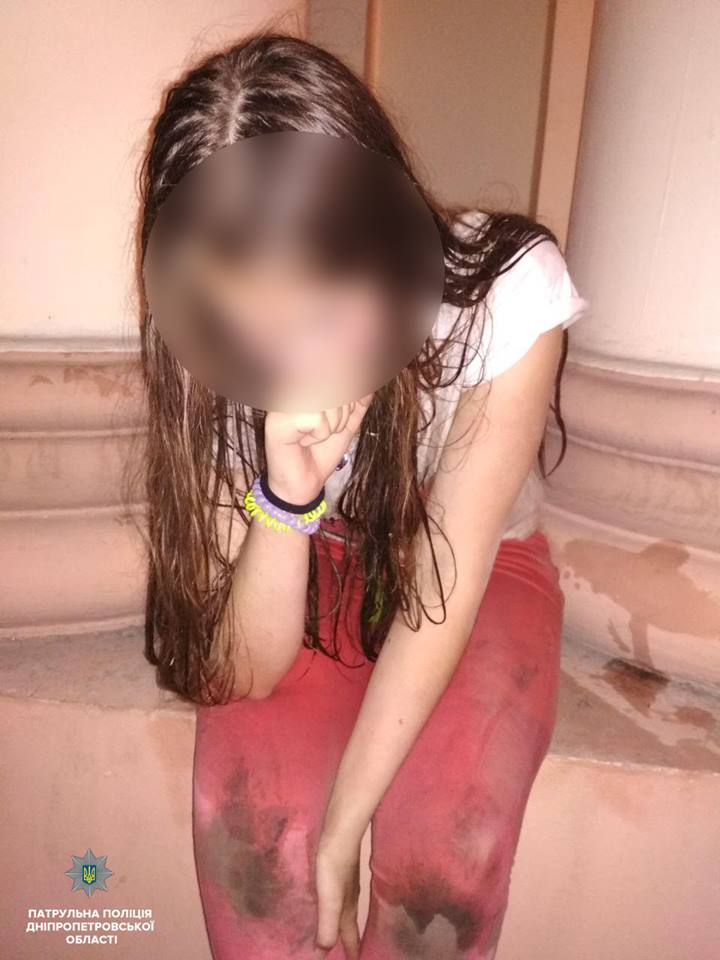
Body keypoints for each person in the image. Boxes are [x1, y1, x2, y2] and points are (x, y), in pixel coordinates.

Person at [137, 32, 589, 960]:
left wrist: (345, 830)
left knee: (444, 859)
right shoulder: (208, 353)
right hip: (318, 552)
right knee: (253, 842)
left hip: (475, 567)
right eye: (245, 307)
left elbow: (445, 581)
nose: (284, 347)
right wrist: (286, 500)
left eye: (314, 292)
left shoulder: (507, 290)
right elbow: (242, 671)